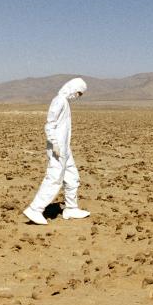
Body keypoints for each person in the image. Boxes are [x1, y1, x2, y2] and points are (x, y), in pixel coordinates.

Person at [23, 77, 91, 225]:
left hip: (65, 148)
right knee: (54, 178)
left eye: (80, 94)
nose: (77, 96)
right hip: (57, 148)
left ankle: (71, 208)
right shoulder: (59, 100)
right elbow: (50, 124)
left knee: (72, 177)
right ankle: (35, 209)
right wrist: (54, 144)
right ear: (72, 87)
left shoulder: (65, 102)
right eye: (78, 93)